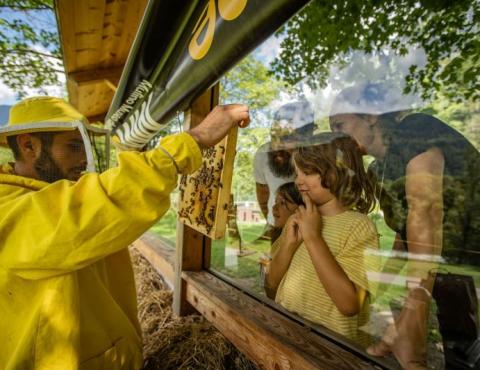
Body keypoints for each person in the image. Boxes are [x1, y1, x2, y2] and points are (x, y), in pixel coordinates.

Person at [0, 96, 249, 369]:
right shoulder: (8, 207)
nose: (84, 158)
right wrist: (193, 141)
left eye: (84, 146)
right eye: (73, 146)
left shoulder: (55, 194)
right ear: (28, 146)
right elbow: (88, 209)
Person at [330, 83, 480, 369]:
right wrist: (381, 289)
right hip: (449, 276)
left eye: (340, 123)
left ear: (371, 115)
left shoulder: (415, 128)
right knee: (461, 353)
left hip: (470, 265)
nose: (337, 136)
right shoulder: (378, 171)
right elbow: (406, 232)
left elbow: (425, 208)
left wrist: (414, 310)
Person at [265, 132, 379, 346]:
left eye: (307, 172)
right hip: (288, 335)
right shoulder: (297, 219)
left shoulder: (359, 226)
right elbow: (270, 287)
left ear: (338, 172)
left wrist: (313, 238)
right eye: (297, 173)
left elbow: (350, 304)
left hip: (331, 352)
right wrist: (289, 245)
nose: (298, 181)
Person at [253, 100, 315, 241]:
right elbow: (263, 196)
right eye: (274, 136)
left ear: (307, 137)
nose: (277, 145)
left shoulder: (320, 158)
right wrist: (275, 224)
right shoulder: (263, 154)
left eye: (287, 137)